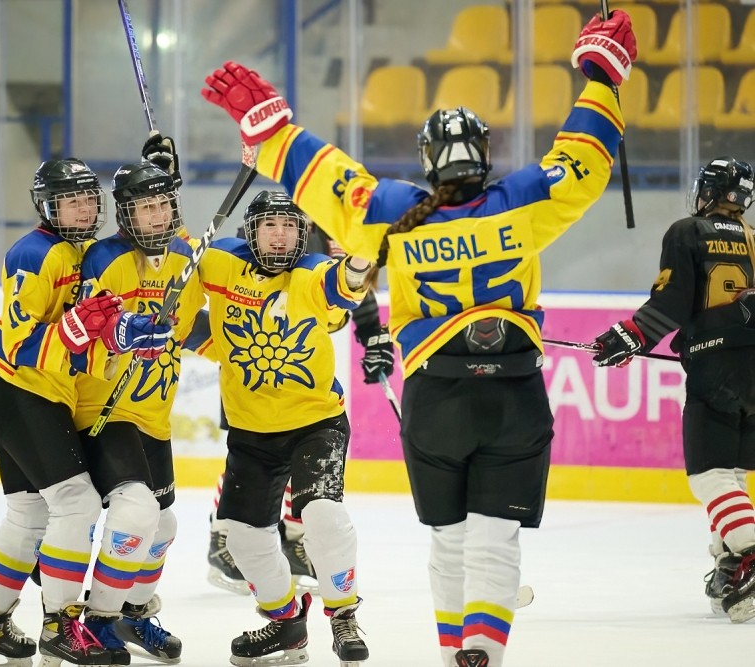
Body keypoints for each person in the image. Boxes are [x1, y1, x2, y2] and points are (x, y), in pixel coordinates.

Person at [200, 9, 636, 667]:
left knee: (450, 539)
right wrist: (602, 79)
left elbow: (331, 184)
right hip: (514, 392)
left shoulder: (395, 213)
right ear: (484, 153)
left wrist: (274, 133)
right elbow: (583, 163)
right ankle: (482, 649)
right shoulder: (522, 201)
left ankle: (454, 649)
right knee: (495, 539)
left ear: (428, 160)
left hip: (437, 397)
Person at [0, 158, 171, 667]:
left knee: (29, 513)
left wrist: (122, 337)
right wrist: (76, 332)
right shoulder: (33, 253)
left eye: (88, 199)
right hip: (19, 391)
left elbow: (86, 340)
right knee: (76, 504)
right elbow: (19, 342)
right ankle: (60, 625)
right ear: (46, 206)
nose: (82, 208)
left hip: (39, 394)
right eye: (69, 200)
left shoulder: (89, 252)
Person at [192, 190, 372, 666]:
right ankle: (286, 623)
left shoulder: (312, 271)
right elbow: (172, 267)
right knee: (242, 539)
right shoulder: (220, 262)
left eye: (290, 226)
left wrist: (359, 257)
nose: (280, 235)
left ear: (303, 234)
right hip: (252, 431)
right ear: (251, 232)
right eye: (270, 225)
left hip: (316, 422)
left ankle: (343, 614)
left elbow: (345, 285)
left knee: (322, 515)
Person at [591, 156, 755, 624]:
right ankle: (731, 564)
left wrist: (630, 335)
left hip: (717, 370)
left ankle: (749, 551)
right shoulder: (754, 239)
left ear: (710, 191)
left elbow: (673, 301)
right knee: (731, 472)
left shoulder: (689, 231)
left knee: (709, 475)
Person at [71, 138, 199, 664]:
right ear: (124, 214)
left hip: (153, 418)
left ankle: (132, 613)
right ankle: (98, 621)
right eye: (145, 207)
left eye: (164, 203)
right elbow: (89, 327)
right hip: (104, 413)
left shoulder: (186, 258)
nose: (157, 214)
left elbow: (198, 324)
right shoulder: (106, 258)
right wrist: (124, 331)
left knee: (163, 525)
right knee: (137, 511)